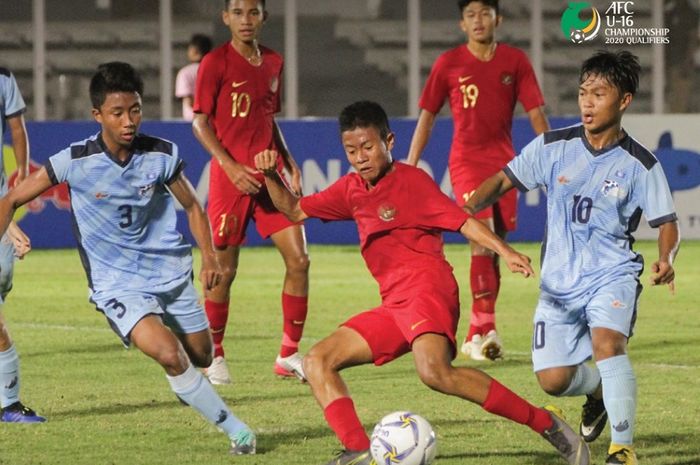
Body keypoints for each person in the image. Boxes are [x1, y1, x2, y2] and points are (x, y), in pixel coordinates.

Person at [255, 101, 589, 465]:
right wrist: (273, 175)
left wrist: (505, 251)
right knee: (318, 360)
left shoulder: (412, 182)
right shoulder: (350, 189)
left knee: (434, 372)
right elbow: (293, 209)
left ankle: (546, 422)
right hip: (395, 304)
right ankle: (358, 450)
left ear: (389, 141)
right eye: (352, 150)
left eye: (368, 147)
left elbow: (463, 221)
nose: (361, 157)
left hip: (429, 291)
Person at [0, 62, 256, 454]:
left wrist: (209, 257)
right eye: (117, 113)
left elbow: (192, 207)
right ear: (97, 115)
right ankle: (238, 431)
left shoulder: (161, 154)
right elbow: (13, 198)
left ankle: (188, 384)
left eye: (135, 110)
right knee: (170, 354)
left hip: (170, 272)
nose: (128, 121)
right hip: (116, 283)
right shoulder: (74, 160)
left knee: (202, 354)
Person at [463, 51, 680, 465]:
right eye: (583, 93)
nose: (587, 103)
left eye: (599, 94)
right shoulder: (552, 146)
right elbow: (503, 179)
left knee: (608, 344)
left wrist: (666, 257)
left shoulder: (641, 164)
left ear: (624, 101)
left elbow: (666, 222)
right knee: (553, 380)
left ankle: (622, 449)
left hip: (611, 274)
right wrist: (470, 205)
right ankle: (597, 391)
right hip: (559, 282)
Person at [406, 0, 549, 362]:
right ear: (461, 23)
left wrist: (551, 155)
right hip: (466, 161)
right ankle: (483, 327)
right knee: (481, 241)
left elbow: (536, 113)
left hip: (505, 162)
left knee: (497, 245)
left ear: (497, 19)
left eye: (485, 13)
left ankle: (478, 331)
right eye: (471, 15)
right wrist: (410, 161)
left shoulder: (515, 61)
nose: (479, 20)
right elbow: (428, 114)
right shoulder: (449, 63)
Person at [193, 0, 309, 385]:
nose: (246, 19)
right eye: (238, 12)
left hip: (269, 176)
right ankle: (215, 354)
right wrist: (228, 166)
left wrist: (288, 161)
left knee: (300, 260)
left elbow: (266, 117)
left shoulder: (274, 61)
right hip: (232, 179)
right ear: (226, 17)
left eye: (253, 12)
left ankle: (288, 355)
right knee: (224, 271)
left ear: (264, 17)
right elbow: (200, 122)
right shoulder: (215, 63)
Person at [0, 66, 44, 423]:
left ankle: (9, 405)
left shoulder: (3, 77)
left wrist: (16, 195)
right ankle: (9, 404)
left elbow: (17, 127)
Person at [175, 33, 213, 121]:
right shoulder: (216, 71)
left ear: (194, 50)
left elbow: (188, 103)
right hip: (213, 121)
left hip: (191, 122)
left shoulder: (185, 73)